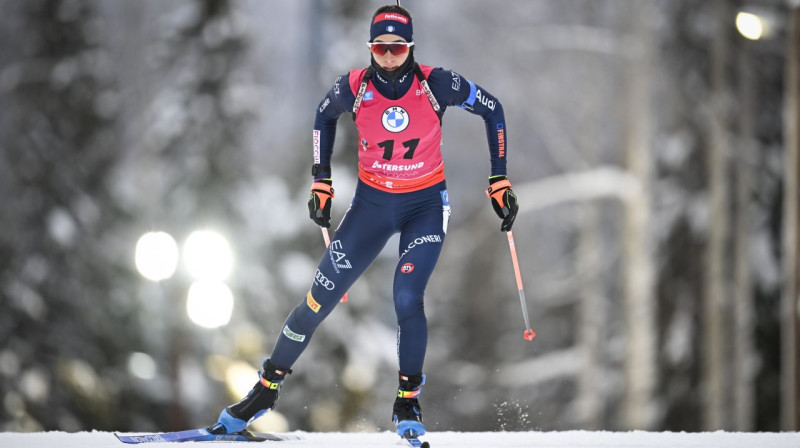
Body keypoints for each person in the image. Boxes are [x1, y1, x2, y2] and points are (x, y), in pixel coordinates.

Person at [209, 4, 519, 439]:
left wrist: (498, 177)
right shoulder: (353, 87)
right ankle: (264, 390)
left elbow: (493, 110)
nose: (388, 55)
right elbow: (322, 116)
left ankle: (407, 401)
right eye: (379, 47)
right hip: (372, 207)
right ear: (369, 48)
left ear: (410, 47)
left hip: (424, 207)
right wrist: (321, 181)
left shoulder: (437, 83)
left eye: (396, 47)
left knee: (407, 295)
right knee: (318, 300)